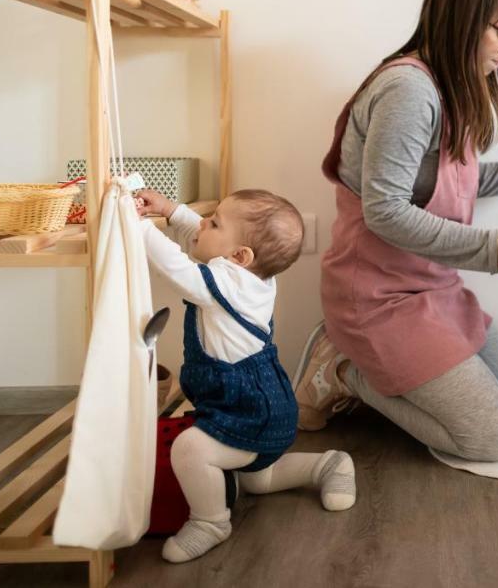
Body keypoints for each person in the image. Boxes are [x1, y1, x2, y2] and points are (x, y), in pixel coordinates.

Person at [293, 0, 498, 461]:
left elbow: (455, 183)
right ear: (463, 20)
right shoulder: (408, 91)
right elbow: (385, 211)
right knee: (489, 439)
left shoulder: (446, 89)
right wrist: (493, 249)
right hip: (378, 300)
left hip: (433, 289)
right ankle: (341, 370)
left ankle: (362, 367)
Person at [136, 188, 357, 562]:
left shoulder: (227, 282)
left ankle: (210, 522)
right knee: (258, 477)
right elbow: (202, 238)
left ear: (239, 256)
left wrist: (136, 226)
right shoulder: (246, 274)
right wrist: (171, 211)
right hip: (253, 401)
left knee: (190, 449)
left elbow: (178, 266)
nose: (203, 223)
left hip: (250, 408)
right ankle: (329, 464)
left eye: (215, 222)